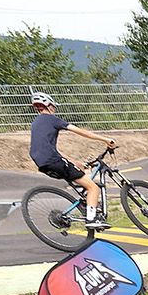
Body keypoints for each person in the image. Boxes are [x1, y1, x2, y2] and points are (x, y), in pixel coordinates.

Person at [27, 91, 115, 228]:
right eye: (54, 106)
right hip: (55, 161)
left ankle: (89, 206)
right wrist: (105, 139)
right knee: (93, 187)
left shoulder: (35, 123)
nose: (54, 109)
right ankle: (92, 219)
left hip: (43, 164)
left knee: (82, 179)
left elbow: (53, 150)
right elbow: (81, 132)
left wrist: (75, 163)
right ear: (49, 105)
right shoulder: (52, 119)